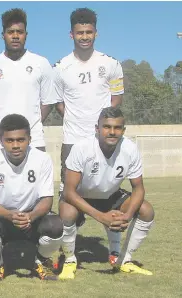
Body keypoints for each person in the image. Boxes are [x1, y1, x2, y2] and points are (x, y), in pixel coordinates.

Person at [53, 8, 125, 264]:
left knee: (110, 193)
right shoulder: (61, 67)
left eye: (89, 32)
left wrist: (103, 129)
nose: (85, 36)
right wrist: (78, 121)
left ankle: (115, 254)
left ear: (96, 32)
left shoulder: (111, 64)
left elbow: (116, 100)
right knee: (68, 201)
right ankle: (68, 255)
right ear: (71, 34)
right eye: (80, 32)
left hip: (103, 142)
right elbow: (59, 104)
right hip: (73, 142)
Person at [58, 107, 154, 279]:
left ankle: (124, 260)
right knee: (67, 212)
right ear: (97, 129)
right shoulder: (82, 148)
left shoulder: (130, 149)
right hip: (80, 196)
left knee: (146, 210)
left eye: (117, 128)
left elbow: (138, 188)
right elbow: (69, 191)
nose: (112, 132)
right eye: (107, 127)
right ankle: (70, 260)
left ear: (123, 130)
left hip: (109, 194)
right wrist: (101, 217)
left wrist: (127, 215)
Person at [0, 114, 63, 281]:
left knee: (55, 225)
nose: (15, 145)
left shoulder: (42, 159)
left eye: (20, 140)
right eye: (9, 140)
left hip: (32, 218)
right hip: (3, 218)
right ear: (1, 140)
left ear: (29, 139)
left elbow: (47, 199)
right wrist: (9, 215)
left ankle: (40, 261)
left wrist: (31, 216)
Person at [0, 8, 56, 153]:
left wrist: (31, 125)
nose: (15, 36)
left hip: (34, 140)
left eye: (19, 32)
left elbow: (48, 102)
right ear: (3, 35)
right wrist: (1, 129)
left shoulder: (41, 63)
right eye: (10, 32)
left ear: (26, 35)